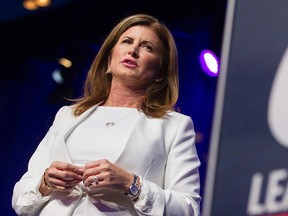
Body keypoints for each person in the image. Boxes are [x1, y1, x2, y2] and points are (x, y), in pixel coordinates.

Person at [12, 14, 201, 215]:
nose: (133, 50)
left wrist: (131, 183)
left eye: (147, 47)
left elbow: (187, 209)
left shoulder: (174, 126)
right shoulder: (68, 116)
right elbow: (20, 199)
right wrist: (46, 181)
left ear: (160, 73)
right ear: (109, 61)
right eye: (127, 41)